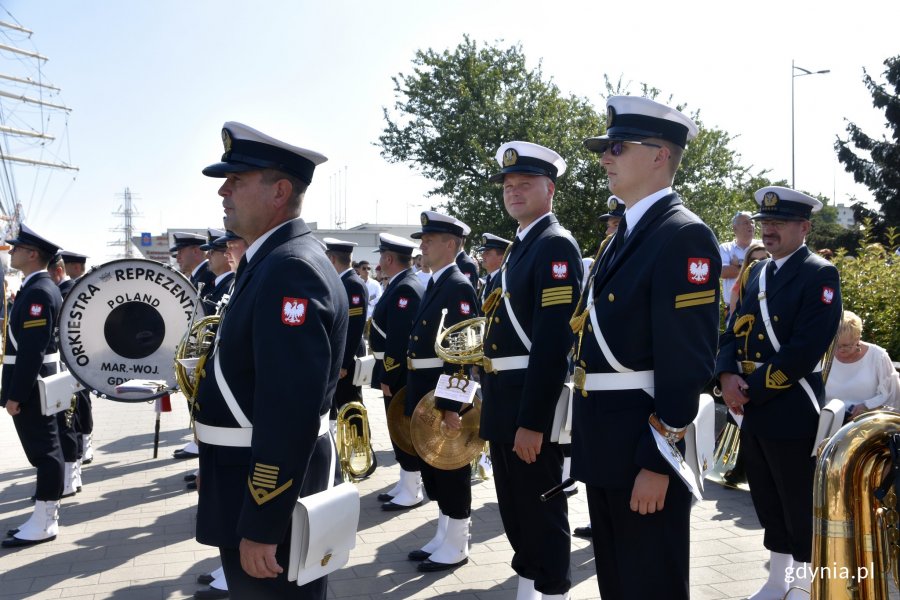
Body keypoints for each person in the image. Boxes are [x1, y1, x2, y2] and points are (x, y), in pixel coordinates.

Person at [573, 97, 721, 600]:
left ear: (660, 155)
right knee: (618, 584)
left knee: (650, 584)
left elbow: (688, 362)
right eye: (604, 148)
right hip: (607, 443)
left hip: (643, 448)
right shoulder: (627, 233)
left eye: (617, 146)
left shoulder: (683, 234)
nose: (604, 158)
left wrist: (659, 461)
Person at [193, 121, 346, 600]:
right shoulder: (271, 261)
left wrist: (263, 520)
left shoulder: (291, 269)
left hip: (266, 489)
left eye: (236, 181)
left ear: (280, 191)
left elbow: (289, 408)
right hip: (243, 471)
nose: (223, 191)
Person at [717, 186, 842, 599]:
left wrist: (750, 389)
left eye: (779, 223)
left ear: (803, 227)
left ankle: (803, 584)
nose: (768, 231)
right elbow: (735, 329)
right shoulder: (757, 272)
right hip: (752, 403)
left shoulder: (819, 273)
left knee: (796, 497)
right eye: (765, 223)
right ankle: (776, 580)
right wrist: (725, 375)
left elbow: (805, 348)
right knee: (767, 494)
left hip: (789, 401)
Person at [480, 141, 583, 600]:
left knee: (540, 506)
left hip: (527, 399)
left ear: (550, 190)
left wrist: (532, 421)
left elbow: (552, 343)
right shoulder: (523, 246)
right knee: (515, 508)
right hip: (504, 395)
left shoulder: (554, 244)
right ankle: (529, 588)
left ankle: (553, 591)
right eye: (508, 185)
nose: (514, 191)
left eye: (525, 183)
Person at [402, 211, 480, 572]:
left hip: (443, 393)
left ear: (450, 244)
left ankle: (457, 543)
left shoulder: (459, 286)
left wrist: (453, 407)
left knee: (451, 470)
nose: (423, 246)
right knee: (434, 469)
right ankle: (444, 533)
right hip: (426, 390)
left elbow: (463, 354)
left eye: (429, 241)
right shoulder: (437, 282)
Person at [1, 225, 65, 548]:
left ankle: (45, 521)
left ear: (32, 253)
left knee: (45, 453)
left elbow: (31, 350)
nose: (10, 251)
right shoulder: (38, 287)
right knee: (45, 450)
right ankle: (43, 516)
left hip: (33, 386)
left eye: (16, 248)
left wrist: (15, 395)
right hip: (36, 384)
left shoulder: (39, 291)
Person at [368, 233, 426, 510]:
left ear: (389, 259)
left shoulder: (405, 288)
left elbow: (399, 339)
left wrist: (389, 376)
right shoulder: (400, 284)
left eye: (382, 257)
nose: (380, 262)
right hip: (393, 368)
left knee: (402, 428)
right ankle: (406, 481)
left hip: (399, 371)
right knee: (396, 428)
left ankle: (413, 487)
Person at [324, 237, 374, 477]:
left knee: (351, 406)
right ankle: (353, 455)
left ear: (333, 258)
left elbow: (353, 328)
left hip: (349, 360)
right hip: (342, 359)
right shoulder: (342, 282)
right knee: (343, 405)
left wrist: (343, 364)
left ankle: (362, 457)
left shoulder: (352, 284)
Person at [825, 310, 900, 419]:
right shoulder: (825, 353)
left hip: (868, 422)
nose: (840, 350)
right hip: (828, 420)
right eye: (836, 345)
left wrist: (868, 405)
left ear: (858, 338)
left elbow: (893, 395)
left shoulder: (878, 356)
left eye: (846, 346)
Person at [58, 250, 95, 465]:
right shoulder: (88, 287)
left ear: (73, 267)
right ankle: (86, 442)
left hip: (74, 352)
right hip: (82, 352)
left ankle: (85, 443)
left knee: (80, 401)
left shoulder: (69, 289)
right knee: (81, 400)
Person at [720, 211, 760, 318]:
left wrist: (737, 265)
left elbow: (766, 270)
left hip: (758, 308)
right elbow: (723, 272)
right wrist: (754, 265)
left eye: (752, 222)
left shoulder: (762, 246)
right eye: (746, 223)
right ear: (734, 228)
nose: (750, 225)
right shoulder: (725, 248)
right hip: (732, 309)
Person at [728, 242, 769, 317]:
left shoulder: (777, 281)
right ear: (747, 263)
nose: (759, 264)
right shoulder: (739, 287)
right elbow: (734, 319)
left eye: (763, 260)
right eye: (754, 261)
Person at [199, 228, 233, 316]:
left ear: (227, 254)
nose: (207, 256)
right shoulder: (223, 285)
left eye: (211, 251)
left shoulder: (231, 287)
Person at [476, 233, 511, 304]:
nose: (482, 255)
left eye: (487, 253)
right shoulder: (486, 282)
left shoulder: (506, 281)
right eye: (483, 252)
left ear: (501, 259)